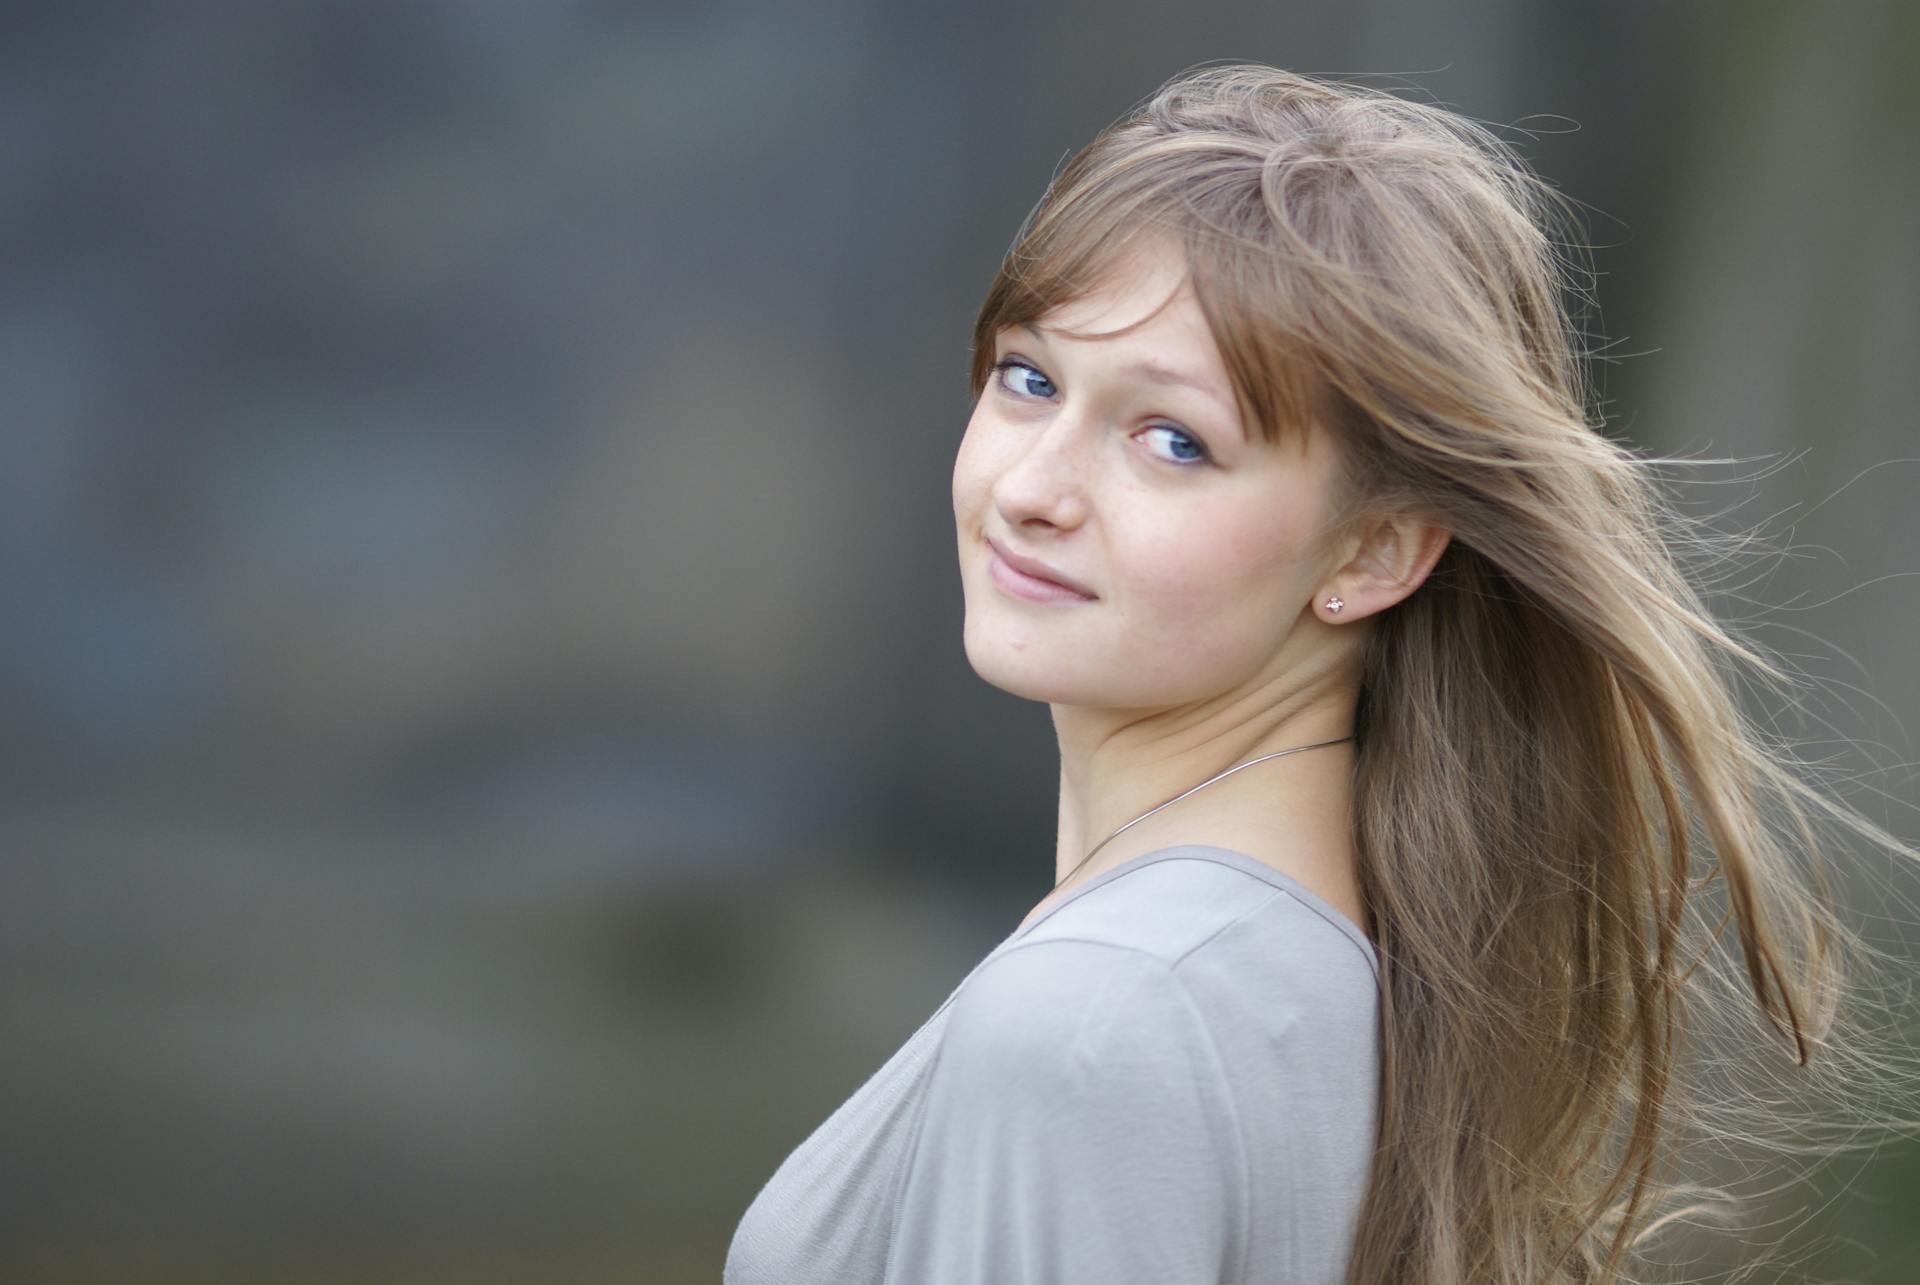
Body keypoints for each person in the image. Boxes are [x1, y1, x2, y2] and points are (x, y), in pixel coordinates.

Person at [724, 62, 1920, 1285]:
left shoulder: (1096, 1021)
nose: (1031, 489)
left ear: (1376, 548)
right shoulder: (1349, 975)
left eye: (1172, 440)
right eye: (1029, 378)